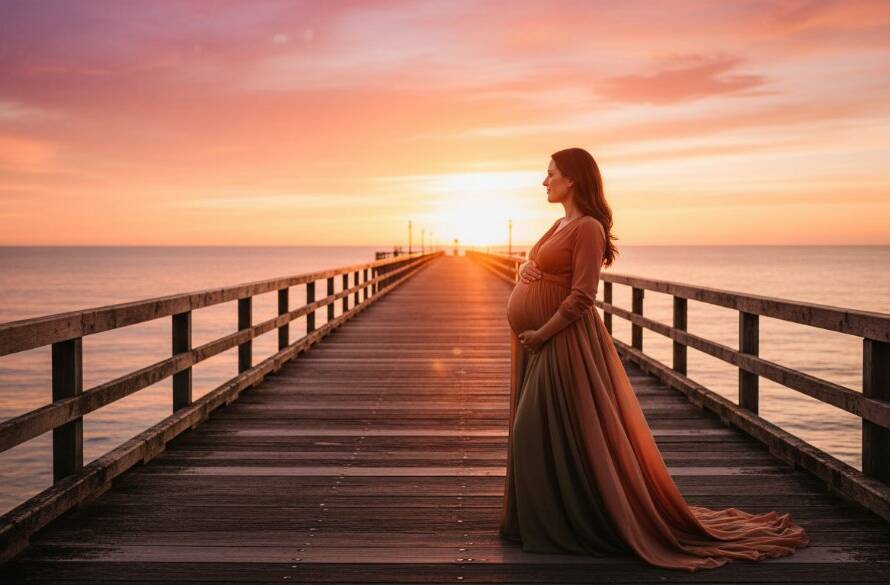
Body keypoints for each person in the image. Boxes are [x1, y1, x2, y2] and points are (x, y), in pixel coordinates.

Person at [499, 147, 810, 572]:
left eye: (550, 173)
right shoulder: (559, 224)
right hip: (539, 341)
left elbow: (583, 295)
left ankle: (572, 522)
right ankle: (547, 518)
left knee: (533, 428)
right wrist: (524, 272)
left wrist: (542, 332)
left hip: (561, 341)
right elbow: (540, 265)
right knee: (544, 430)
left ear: (572, 179)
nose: (544, 181)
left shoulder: (588, 227)